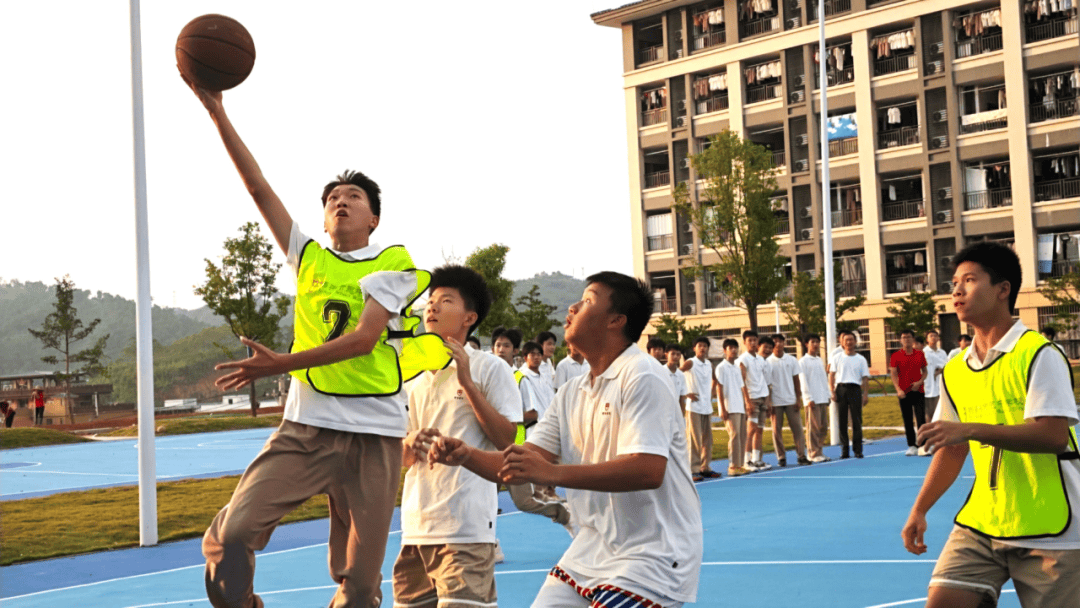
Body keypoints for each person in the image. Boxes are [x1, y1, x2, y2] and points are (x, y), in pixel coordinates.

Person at [184, 77, 450, 608]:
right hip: (306, 427)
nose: (340, 202)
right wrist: (216, 112)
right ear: (325, 217)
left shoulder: (392, 261)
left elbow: (365, 339)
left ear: (373, 217)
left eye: (353, 196)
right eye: (332, 198)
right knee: (232, 538)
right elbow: (258, 187)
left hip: (374, 436)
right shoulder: (309, 258)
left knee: (359, 591)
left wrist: (281, 363)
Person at [429, 271, 703, 607]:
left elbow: (646, 470)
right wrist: (465, 455)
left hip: (652, 558)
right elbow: (518, 462)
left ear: (616, 321)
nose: (572, 308)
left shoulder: (642, 375)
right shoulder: (572, 390)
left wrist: (551, 473)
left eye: (587, 300)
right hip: (588, 551)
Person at [901, 241, 1080, 608]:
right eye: (954, 282)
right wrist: (920, 508)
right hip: (983, 521)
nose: (956, 290)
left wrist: (970, 429)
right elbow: (952, 449)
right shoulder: (956, 369)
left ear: (1003, 290)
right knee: (943, 601)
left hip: (1052, 527)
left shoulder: (1039, 355)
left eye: (969, 280)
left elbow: (1053, 435)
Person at [394, 265, 521, 608]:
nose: (431, 307)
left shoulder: (489, 367)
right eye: (430, 300)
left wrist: (466, 382)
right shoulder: (411, 377)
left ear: (469, 317)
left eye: (445, 300)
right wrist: (408, 445)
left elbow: (508, 440)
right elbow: (399, 458)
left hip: (465, 527)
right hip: (416, 528)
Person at [767, 334, 810, 467]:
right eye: (775, 342)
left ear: (784, 343)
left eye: (780, 341)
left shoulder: (791, 360)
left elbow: (796, 380)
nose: (778, 344)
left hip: (791, 400)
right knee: (776, 431)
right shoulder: (768, 362)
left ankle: (801, 455)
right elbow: (767, 384)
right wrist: (769, 401)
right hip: (775, 401)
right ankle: (781, 457)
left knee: (797, 429)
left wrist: (798, 398)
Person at [681, 336, 719, 481]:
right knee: (694, 440)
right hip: (694, 407)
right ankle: (693, 470)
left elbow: (715, 379)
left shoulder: (709, 364)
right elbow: (677, 374)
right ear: (694, 348)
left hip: (706, 407)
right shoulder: (691, 362)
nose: (703, 348)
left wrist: (712, 391)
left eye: (705, 346)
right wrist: (685, 393)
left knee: (708, 441)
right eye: (700, 346)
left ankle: (705, 467)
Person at [829, 330, 870, 459]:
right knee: (842, 421)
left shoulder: (861, 359)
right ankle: (844, 450)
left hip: (855, 389)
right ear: (842, 342)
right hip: (841, 389)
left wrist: (865, 394)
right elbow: (831, 375)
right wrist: (832, 391)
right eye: (846, 340)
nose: (849, 342)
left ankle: (858, 450)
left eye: (851, 339)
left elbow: (865, 378)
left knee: (857, 421)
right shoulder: (837, 358)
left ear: (855, 341)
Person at [890, 329, 929, 456]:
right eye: (904, 337)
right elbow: (894, 374)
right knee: (907, 419)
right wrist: (898, 390)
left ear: (913, 339)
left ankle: (923, 445)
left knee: (921, 418)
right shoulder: (896, 356)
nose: (906, 339)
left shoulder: (919, 354)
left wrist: (919, 382)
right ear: (900, 340)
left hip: (918, 391)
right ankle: (911, 445)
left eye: (908, 337)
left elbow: (925, 372)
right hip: (904, 392)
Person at [738, 330, 772, 470]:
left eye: (754, 340)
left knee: (759, 430)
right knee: (750, 430)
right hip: (752, 398)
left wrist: (768, 400)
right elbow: (742, 381)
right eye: (749, 340)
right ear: (745, 342)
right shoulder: (743, 359)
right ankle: (746, 461)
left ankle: (756, 459)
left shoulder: (760, 359)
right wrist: (747, 401)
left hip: (763, 397)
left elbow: (765, 381)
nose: (752, 343)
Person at [716, 339, 750, 476]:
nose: (734, 350)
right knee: (734, 435)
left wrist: (746, 404)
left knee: (742, 436)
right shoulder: (721, 367)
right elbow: (719, 388)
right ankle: (732, 466)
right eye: (730, 348)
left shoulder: (737, 367)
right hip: (729, 407)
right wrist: (723, 409)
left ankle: (740, 465)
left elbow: (742, 387)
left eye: (735, 348)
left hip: (739, 406)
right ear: (725, 351)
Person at [799, 333, 832, 463]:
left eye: (817, 342)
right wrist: (808, 398)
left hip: (822, 398)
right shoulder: (803, 362)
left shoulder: (819, 360)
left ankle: (820, 451)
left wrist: (827, 395)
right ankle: (812, 453)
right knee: (813, 428)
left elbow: (824, 379)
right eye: (812, 342)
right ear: (807, 344)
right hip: (812, 400)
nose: (815, 344)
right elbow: (803, 381)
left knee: (823, 427)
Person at [920, 330, 948, 450]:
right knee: (928, 414)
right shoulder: (925, 352)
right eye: (931, 336)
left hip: (940, 387)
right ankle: (928, 439)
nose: (934, 337)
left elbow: (946, 365)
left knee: (939, 413)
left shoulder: (942, 352)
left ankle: (937, 438)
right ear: (927, 339)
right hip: (927, 387)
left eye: (936, 336)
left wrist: (940, 370)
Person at [664, 344, 689, 413]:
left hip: (676, 412)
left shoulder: (681, 375)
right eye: (673, 354)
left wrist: (682, 414)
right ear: (666, 355)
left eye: (678, 354)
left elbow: (682, 397)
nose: (675, 356)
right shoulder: (661, 371)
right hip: (663, 411)